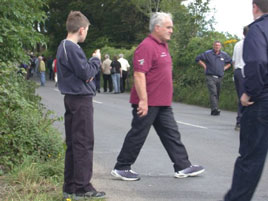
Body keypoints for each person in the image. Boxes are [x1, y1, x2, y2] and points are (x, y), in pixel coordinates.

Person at [111, 12, 205, 181]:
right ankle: (122, 167)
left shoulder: (162, 45)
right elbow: (139, 75)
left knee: (171, 134)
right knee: (138, 134)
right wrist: (143, 101)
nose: (171, 30)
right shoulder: (146, 46)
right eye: (168, 27)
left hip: (162, 102)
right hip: (148, 102)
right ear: (157, 27)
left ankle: (182, 166)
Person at [56, 11, 105, 200]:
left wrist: (89, 68)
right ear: (82, 30)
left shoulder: (64, 47)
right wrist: (95, 59)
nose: (87, 34)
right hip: (80, 99)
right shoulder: (71, 47)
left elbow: (83, 72)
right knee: (83, 143)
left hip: (72, 98)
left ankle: (70, 186)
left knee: (74, 143)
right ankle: (82, 187)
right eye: (87, 31)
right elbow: (86, 73)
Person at [223, 1, 268, 201]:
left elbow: (258, 61)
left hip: (263, 101)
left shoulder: (257, 29)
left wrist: (249, 92)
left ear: (254, 7)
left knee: (250, 158)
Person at [195, 41, 232, 116]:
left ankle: (214, 109)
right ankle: (215, 109)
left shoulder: (224, 55)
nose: (217, 47)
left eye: (218, 45)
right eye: (216, 45)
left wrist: (224, 68)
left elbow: (230, 62)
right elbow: (197, 59)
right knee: (213, 92)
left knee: (217, 93)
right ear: (213, 46)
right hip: (210, 76)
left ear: (220, 46)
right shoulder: (207, 53)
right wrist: (204, 66)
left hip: (219, 77)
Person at [232, 26, 249, 131]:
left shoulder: (237, 44)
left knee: (241, 97)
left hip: (237, 71)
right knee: (246, 97)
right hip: (244, 71)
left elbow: (233, 61)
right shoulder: (249, 43)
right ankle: (240, 121)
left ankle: (241, 121)